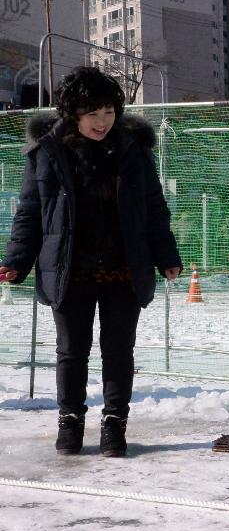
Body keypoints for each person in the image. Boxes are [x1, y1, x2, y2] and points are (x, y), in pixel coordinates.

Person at [0, 67, 182, 457]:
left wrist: (166, 255)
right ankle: (70, 421)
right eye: (92, 113)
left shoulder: (134, 151)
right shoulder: (47, 154)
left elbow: (154, 208)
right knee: (71, 350)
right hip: (70, 268)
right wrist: (16, 260)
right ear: (72, 114)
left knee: (119, 350)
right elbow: (31, 211)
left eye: (108, 111)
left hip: (123, 267)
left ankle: (115, 424)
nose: (102, 122)